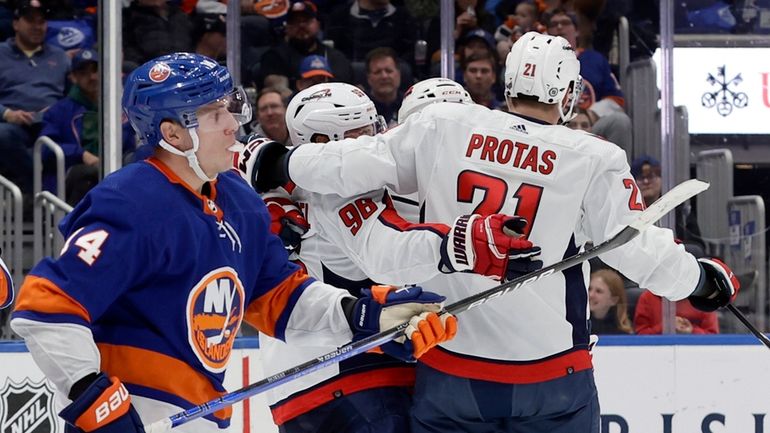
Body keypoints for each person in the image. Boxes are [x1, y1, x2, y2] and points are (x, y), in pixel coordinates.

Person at [250, 32, 741, 432]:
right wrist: (699, 281)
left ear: (507, 86)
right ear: (570, 95)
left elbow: (347, 164)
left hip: (453, 371)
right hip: (553, 378)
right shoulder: (593, 157)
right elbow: (641, 252)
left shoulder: (444, 126)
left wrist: (275, 160)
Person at [10, 53, 455, 433]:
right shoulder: (131, 200)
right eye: (215, 114)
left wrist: (361, 314)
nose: (234, 126)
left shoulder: (236, 197)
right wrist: (95, 399)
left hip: (204, 415)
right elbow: (47, 306)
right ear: (173, 134)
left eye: (230, 108)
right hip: (137, 410)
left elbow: (280, 296)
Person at [236, 81, 533, 433]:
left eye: (376, 126)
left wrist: (255, 157)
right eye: (362, 133)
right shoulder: (334, 188)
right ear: (321, 143)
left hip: (339, 374)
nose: (377, 140)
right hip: (344, 376)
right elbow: (387, 251)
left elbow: (234, 154)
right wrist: (462, 243)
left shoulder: (306, 178)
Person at [38, 48, 136, 204]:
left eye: (95, 70)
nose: (92, 77)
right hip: (73, 175)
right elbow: (46, 149)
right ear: (74, 78)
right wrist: (82, 155)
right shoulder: (59, 111)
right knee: (90, 174)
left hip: (116, 171)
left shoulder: (119, 108)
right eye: (83, 72)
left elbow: (130, 146)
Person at [0, 0, 69, 195]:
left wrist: (57, 111)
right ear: (15, 24)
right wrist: (7, 113)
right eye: (30, 20)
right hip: (14, 123)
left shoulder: (60, 56)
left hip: (50, 123)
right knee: (2, 135)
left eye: (41, 21)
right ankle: (39, 189)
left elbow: (72, 95)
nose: (37, 26)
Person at [631, 155, 706, 257]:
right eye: (641, 177)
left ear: (661, 179)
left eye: (651, 176)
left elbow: (698, 248)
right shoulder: (629, 213)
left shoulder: (679, 211)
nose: (646, 182)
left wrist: (673, 248)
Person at [635, 290, 720, 335]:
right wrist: (664, 327)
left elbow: (714, 339)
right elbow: (639, 336)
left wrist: (692, 331)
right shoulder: (648, 297)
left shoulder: (703, 299)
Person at [365, 47, 402, 127]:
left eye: (389, 71)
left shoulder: (409, 103)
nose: (384, 76)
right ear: (369, 78)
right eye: (377, 72)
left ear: (398, 74)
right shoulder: (361, 108)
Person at [589, 269, 633, 334]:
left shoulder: (623, 334)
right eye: (589, 289)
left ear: (613, 300)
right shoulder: (577, 326)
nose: (591, 295)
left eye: (598, 291)